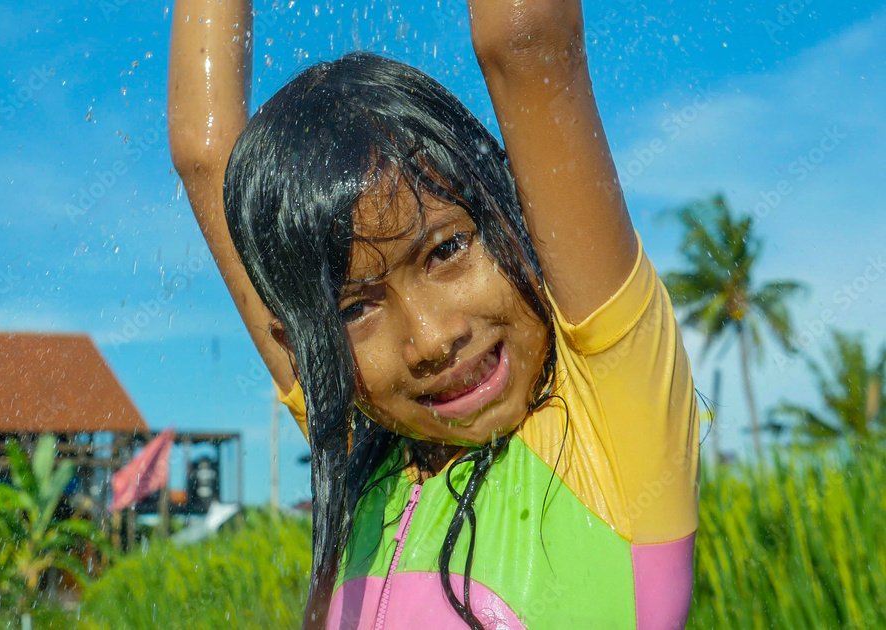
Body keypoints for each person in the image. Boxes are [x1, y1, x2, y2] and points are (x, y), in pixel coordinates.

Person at [168, 1, 701, 628]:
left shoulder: (610, 422)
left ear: (515, 210)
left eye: (448, 250)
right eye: (356, 307)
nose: (429, 340)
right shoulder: (359, 436)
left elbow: (525, 35)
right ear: (308, 346)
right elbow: (207, 157)